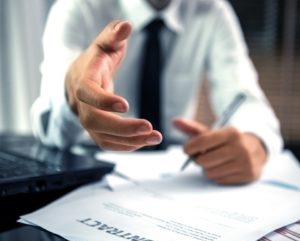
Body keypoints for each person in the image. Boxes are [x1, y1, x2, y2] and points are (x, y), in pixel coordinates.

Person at [31, 0, 283, 185]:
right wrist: (72, 92)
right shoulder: (76, 8)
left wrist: (255, 142)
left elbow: (245, 98)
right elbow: (48, 127)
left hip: (173, 177)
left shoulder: (212, 11)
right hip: (88, 177)